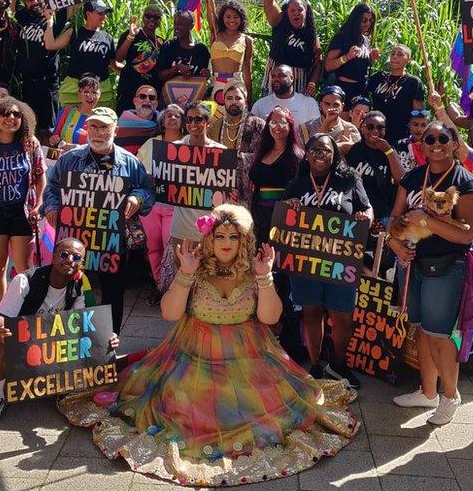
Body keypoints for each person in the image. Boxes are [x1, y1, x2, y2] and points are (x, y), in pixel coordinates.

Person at [65, 204, 356, 486]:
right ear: (209, 238)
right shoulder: (196, 267)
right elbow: (169, 313)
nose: (226, 243)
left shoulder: (254, 271)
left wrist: (265, 276)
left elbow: (271, 317)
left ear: (243, 239)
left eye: (233, 236)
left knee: (263, 412)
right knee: (181, 409)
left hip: (248, 358)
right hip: (194, 356)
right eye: (220, 236)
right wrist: (185, 273)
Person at [387, 123, 473, 425]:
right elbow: (394, 218)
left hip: (444, 267)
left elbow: (466, 236)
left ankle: (450, 395)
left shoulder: (465, 183)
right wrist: (394, 243)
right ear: (422, 145)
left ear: (455, 143)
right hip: (411, 262)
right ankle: (427, 392)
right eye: (430, 139)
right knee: (420, 330)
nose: (436, 143)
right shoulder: (414, 177)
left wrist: (426, 222)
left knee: (439, 335)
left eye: (444, 138)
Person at [0, 238, 119, 430]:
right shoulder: (25, 280)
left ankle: (63, 387)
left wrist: (106, 336)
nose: (70, 260)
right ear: (53, 257)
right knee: (0, 341)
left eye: (76, 257)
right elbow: (0, 318)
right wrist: (3, 330)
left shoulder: (78, 286)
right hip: (22, 348)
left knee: (99, 343)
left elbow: (83, 324)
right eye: (64, 254)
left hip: (50, 350)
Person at [43, 106, 155, 331]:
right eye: (93, 126)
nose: (97, 132)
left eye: (104, 127)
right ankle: (66, 340)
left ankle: (109, 342)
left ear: (116, 130)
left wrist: (137, 199)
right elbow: (52, 187)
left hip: (111, 240)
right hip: (75, 236)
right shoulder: (70, 159)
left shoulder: (129, 162)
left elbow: (148, 190)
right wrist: (52, 207)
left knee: (113, 291)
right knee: (69, 287)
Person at [282, 134, 373, 389]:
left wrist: (364, 215)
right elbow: (283, 213)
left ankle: (339, 363)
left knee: (342, 316)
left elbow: (367, 207)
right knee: (311, 312)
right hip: (306, 260)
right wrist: (289, 205)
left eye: (326, 150)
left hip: (341, 260)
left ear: (334, 154)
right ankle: (315, 364)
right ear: (307, 154)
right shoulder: (299, 182)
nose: (320, 155)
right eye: (315, 150)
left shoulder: (349, 179)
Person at [249, 106, 305, 357]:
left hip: (282, 222)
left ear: (290, 125)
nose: (277, 126)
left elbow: (300, 192)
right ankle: (265, 327)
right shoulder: (263, 152)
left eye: (282, 122)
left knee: (282, 275)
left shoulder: (297, 155)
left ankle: (287, 333)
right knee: (262, 269)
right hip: (259, 217)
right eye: (273, 122)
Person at [157, 102, 230, 290]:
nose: (193, 124)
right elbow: (164, 184)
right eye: (189, 119)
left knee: (208, 281)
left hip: (211, 230)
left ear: (207, 121)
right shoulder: (174, 149)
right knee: (183, 281)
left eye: (198, 119)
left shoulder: (220, 152)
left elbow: (226, 195)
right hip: (181, 229)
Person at [0, 97, 45, 307]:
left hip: (22, 212)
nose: (11, 118)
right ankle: (1, 313)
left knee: (24, 268)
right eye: (6, 113)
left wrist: (39, 204)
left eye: (17, 114)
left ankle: (23, 311)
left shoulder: (29, 144)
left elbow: (39, 175)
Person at [137, 104, 184, 300]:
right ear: (162, 122)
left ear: (183, 122)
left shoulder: (188, 145)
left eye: (177, 116)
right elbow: (138, 170)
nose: (172, 118)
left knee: (171, 248)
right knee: (153, 247)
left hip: (175, 206)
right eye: (168, 116)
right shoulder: (150, 144)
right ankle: (159, 286)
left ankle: (173, 289)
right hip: (151, 205)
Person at [45, 0, 119, 110]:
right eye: (100, 13)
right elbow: (50, 45)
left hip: (101, 92)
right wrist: (49, 20)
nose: (104, 17)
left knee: (99, 124)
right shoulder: (74, 32)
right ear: (88, 14)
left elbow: (113, 65)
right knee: (71, 124)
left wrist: (133, 71)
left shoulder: (108, 37)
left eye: (105, 13)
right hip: (73, 91)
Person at [13, 0, 68, 133]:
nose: (35, 2)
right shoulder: (23, 17)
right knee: (28, 127)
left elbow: (74, 0)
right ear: (25, 3)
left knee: (49, 130)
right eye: (29, 0)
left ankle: (48, 155)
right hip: (26, 84)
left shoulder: (54, 18)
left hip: (47, 85)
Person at [262, 0, 322, 95]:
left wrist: (312, 83)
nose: (296, 13)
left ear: (306, 13)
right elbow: (269, 3)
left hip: (298, 83)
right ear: (286, 12)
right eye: (292, 10)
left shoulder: (311, 35)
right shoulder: (279, 21)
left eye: (300, 10)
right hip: (275, 80)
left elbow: (318, 63)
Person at [345, 110, 403, 233]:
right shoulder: (354, 149)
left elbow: (401, 180)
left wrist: (388, 151)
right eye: (370, 127)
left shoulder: (390, 151)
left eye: (380, 128)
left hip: (381, 213)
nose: (375, 131)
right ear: (363, 129)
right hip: (356, 210)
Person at [207, 83, 264, 206]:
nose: (234, 102)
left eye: (238, 98)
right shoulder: (214, 126)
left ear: (245, 101)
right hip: (219, 185)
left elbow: (262, 156)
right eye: (229, 98)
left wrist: (236, 159)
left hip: (248, 189)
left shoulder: (258, 125)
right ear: (224, 101)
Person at [366, 44, 425, 144]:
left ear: (408, 59)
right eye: (393, 53)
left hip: (399, 136)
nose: (395, 56)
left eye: (400, 54)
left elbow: (417, 112)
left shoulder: (413, 82)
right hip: (376, 133)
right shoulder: (378, 77)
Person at [113, 5, 163, 113]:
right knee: (125, 122)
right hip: (129, 89)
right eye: (148, 16)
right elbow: (119, 58)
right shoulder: (131, 34)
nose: (151, 19)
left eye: (156, 17)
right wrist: (130, 36)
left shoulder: (161, 41)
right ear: (143, 17)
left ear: (160, 20)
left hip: (150, 94)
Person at [324, 3, 379, 102]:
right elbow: (328, 65)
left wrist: (371, 59)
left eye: (371, 20)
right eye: (364, 20)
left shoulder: (365, 40)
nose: (368, 23)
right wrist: (346, 57)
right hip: (345, 88)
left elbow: (359, 65)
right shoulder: (342, 37)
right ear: (356, 19)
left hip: (362, 90)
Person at [155, 10, 211, 104]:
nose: (177, 28)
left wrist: (206, 74)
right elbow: (160, 75)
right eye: (175, 24)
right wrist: (176, 68)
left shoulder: (202, 50)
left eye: (181, 24)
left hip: (193, 101)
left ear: (191, 26)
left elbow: (204, 78)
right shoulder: (169, 46)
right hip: (169, 101)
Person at [207, 0, 253, 102]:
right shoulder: (215, 34)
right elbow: (210, 5)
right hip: (216, 84)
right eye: (228, 17)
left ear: (241, 19)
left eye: (236, 17)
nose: (232, 20)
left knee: (235, 116)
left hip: (236, 86)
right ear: (222, 18)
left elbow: (247, 73)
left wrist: (249, 101)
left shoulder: (247, 40)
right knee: (215, 117)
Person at [251, 63, 320, 126]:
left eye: (281, 76)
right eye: (273, 76)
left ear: (292, 78)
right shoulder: (260, 105)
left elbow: (317, 132)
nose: (276, 79)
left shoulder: (308, 103)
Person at [298, 85, 360, 154]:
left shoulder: (350, 129)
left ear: (342, 106)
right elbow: (306, 154)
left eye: (336, 105)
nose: (331, 108)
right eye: (327, 104)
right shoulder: (306, 128)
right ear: (320, 105)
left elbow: (358, 155)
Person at [49, 74, 101, 151]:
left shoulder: (101, 118)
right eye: (86, 92)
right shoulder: (66, 112)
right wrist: (53, 139)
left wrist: (76, 147)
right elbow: (55, 135)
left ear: (99, 95)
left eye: (94, 93)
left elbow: (102, 146)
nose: (90, 96)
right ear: (79, 94)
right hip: (64, 159)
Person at [114, 84, 159, 155]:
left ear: (156, 104)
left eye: (152, 98)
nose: (147, 100)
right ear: (135, 101)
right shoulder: (124, 120)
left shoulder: (161, 122)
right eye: (142, 96)